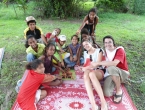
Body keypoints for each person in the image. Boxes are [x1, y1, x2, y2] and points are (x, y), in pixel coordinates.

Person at [91, 35, 130, 104]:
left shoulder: (119, 50)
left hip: (122, 72)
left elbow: (114, 63)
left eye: (109, 42)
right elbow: (99, 51)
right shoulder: (106, 50)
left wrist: (98, 62)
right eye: (105, 43)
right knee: (107, 93)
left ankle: (119, 90)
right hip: (111, 73)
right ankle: (118, 81)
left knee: (111, 68)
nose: (107, 44)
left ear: (113, 43)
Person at [81, 40, 108, 110]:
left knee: (91, 74)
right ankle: (93, 104)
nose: (85, 46)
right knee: (86, 75)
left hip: (99, 70)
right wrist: (83, 68)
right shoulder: (85, 53)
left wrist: (86, 68)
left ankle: (103, 102)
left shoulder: (99, 51)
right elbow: (86, 64)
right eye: (84, 46)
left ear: (91, 43)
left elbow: (97, 64)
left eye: (87, 44)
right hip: (90, 69)